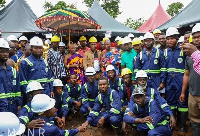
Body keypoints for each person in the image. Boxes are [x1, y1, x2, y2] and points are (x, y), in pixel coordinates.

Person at [164, 27, 188, 133]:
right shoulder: (165, 52)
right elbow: (164, 69)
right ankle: (172, 124)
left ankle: (182, 125)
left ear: (177, 38)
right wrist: (163, 82)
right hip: (169, 82)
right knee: (171, 103)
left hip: (180, 81)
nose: (170, 41)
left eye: (172, 38)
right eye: (168, 38)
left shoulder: (183, 50)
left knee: (182, 104)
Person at [180, 23, 200, 135]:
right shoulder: (189, 55)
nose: (197, 39)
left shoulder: (194, 53)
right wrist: (183, 92)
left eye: (199, 36)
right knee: (195, 121)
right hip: (192, 94)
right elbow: (186, 74)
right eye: (195, 37)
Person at [0, 38, 22, 115]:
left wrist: (19, 104)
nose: (5, 54)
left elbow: (17, 90)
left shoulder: (13, 71)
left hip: (13, 107)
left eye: (6, 51)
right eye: (2, 52)